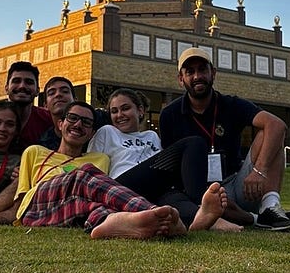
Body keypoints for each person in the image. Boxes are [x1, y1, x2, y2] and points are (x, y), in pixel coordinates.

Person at [0, 101, 228, 239]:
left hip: (70, 213)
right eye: (72, 118)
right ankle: (154, 214)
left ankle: (117, 225)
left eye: (86, 123)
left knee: (94, 206)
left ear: (92, 132)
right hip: (38, 207)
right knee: (84, 175)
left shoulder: (99, 158)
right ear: (60, 124)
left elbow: (104, 188)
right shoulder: (35, 153)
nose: (78, 125)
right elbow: (17, 200)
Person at [159, 47, 290, 232]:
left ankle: (270, 206)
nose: (197, 76)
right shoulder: (169, 114)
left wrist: (258, 171)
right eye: (190, 72)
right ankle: (261, 219)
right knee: (209, 200)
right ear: (181, 79)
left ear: (213, 73)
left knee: (270, 132)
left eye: (203, 69)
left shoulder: (230, 104)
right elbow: (170, 166)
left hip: (239, 186)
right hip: (199, 192)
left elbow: (277, 125)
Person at [87, 88, 242, 232]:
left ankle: (204, 219)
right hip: (123, 187)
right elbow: (93, 168)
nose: (119, 114)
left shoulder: (151, 136)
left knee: (173, 200)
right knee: (194, 143)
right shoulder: (107, 132)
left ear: (140, 111)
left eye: (125, 108)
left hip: (155, 187)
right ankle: (201, 204)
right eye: (114, 111)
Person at [0, 61, 52, 152]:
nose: (22, 86)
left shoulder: (48, 120)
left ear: (37, 90)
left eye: (29, 82)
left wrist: (68, 167)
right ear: (6, 88)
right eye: (16, 81)